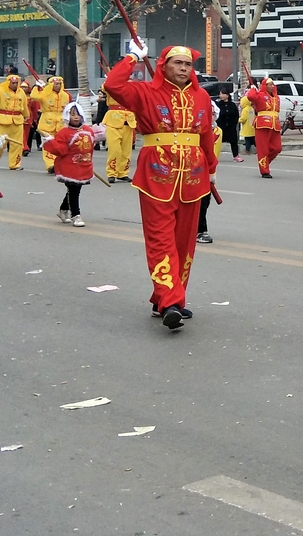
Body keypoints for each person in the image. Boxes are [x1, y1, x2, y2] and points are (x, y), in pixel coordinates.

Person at [104, 42, 218, 331]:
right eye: (177, 63)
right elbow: (113, 85)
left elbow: (205, 137)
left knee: (184, 243)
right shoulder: (145, 92)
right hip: (157, 175)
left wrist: (212, 169)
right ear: (163, 66)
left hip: (193, 176)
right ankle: (171, 302)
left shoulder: (202, 96)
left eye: (187, 64)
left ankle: (164, 297)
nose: (183, 68)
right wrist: (133, 57)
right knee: (160, 240)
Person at [42, 101, 95, 227]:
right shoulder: (63, 133)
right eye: (72, 114)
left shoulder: (88, 130)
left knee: (74, 190)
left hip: (83, 166)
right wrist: (50, 141)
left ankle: (63, 210)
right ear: (67, 116)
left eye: (78, 114)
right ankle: (76, 215)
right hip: (68, 167)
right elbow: (60, 151)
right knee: (74, 190)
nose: (76, 117)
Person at [0, 69, 28, 169]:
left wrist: (26, 115)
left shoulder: (21, 92)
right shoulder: (1, 90)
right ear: (8, 82)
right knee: (1, 143)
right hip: (4, 119)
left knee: (17, 144)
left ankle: (15, 164)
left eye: (16, 83)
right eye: (13, 83)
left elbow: (24, 105)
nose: (15, 85)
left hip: (17, 120)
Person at [32, 75, 71, 173]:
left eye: (59, 84)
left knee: (60, 145)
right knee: (48, 144)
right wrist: (37, 87)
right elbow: (33, 96)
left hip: (61, 123)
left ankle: (59, 164)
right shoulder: (45, 93)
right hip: (47, 122)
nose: (58, 86)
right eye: (56, 84)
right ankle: (50, 165)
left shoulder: (65, 95)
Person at [246, 77, 283, 178]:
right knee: (263, 149)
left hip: (274, 124)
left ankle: (264, 163)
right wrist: (253, 88)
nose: (272, 86)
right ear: (264, 86)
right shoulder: (259, 95)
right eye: (270, 84)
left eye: (272, 84)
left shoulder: (276, 97)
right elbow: (250, 96)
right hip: (262, 124)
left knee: (277, 148)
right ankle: (264, 170)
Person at [103, 87, 138, 182]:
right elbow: (105, 87)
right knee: (114, 149)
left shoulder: (132, 85)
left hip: (129, 120)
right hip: (114, 120)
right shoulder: (112, 83)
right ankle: (112, 172)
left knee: (126, 150)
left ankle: (123, 173)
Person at [214, 89, 242, 162]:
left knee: (233, 141)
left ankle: (236, 156)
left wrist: (234, 124)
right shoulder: (218, 105)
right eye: (220, 94)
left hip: (230, 127)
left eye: (223, 94)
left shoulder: (232, 105)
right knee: (216, 141)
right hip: (220, 126)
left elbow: (236, 115)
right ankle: (213, 156)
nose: (221, 96)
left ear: (227, 95)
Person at [239, 88, 255, 154]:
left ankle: (247, 150)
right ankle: (259, 149)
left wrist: (239, 120)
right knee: (253, 140)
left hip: (247, 127)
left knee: (247, 140)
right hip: (252, 126)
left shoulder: (245, 110)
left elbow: (243, 119)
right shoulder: (251, 108)